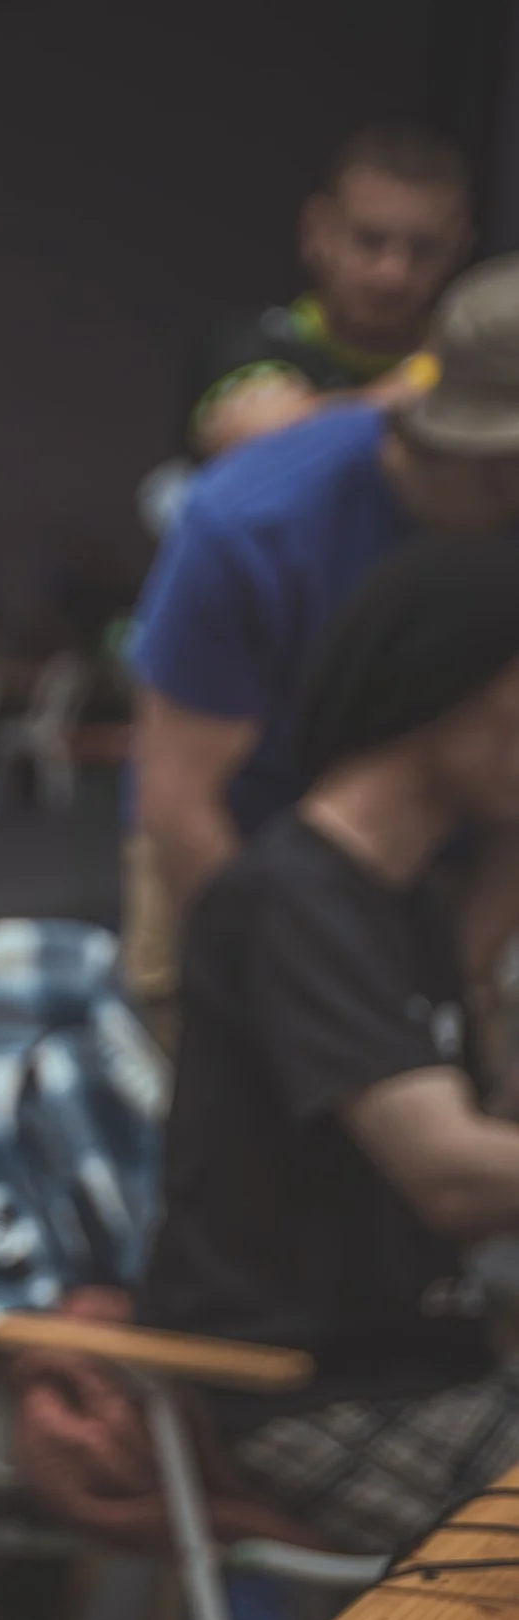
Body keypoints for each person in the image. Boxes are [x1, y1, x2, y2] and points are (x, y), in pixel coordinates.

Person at [139, 529, 519, 1552]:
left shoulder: (410, 902)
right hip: (312, 1394)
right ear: (448, 680)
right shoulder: (292, 901)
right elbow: (450, 1173)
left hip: (431, 1365)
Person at [124, 253, 519, 1041]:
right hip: (233, 844)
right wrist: (306, 1015)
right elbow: (181, 798)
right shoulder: (252, 522)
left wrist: (463, 984)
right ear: (498, 464)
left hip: (446, 855)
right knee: (248, 1082)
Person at [185, 124, 471, 462]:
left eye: (424, 249)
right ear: (317, 230)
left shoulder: (467, 358)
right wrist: (406, 394)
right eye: (369, 240)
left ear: (459, 248)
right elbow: (250, 438)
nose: (393, 273)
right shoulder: (254, 341)